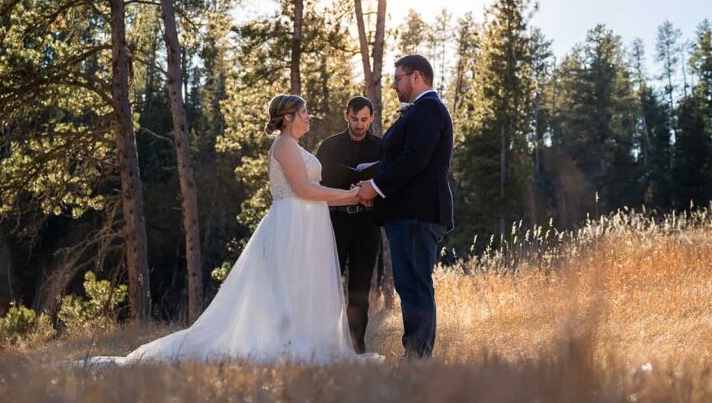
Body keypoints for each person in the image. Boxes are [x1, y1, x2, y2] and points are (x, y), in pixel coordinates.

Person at [88, 95, 380, 365]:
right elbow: (304, 189)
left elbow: (312, 187)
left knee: (303, 286)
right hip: (292, 225)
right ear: (288, 117)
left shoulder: (294, 145)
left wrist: (349, 193)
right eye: (303, 112)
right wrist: (352, 196)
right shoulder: (284, 145)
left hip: (307, 224)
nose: (308, 117)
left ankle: (308, 341)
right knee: (290, 286)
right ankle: (289, 344)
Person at [357, 55, 454, 358]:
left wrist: (375, 186)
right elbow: (396, 159)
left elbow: (414, 158)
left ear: (416, 77)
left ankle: (417, 357)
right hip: (409, 212)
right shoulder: (420, 112)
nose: (394, 85)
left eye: (398, 78)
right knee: (410, 284)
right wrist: (362, 178)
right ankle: (416, 354)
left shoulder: (428, 110)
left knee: (414, 285)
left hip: (417, 212)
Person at [315, 96, 382, 354]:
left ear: (372, 118)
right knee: (329, 284)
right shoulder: (329, 146)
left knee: (359, 289)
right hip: (335, 221)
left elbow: (385, 181)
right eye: (354, 119)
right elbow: (320, 180)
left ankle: (356, 345)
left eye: (364, 119)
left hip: (367, 225)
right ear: (346, 116)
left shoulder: (381, 147)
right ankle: (326, 343)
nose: (359, 124)